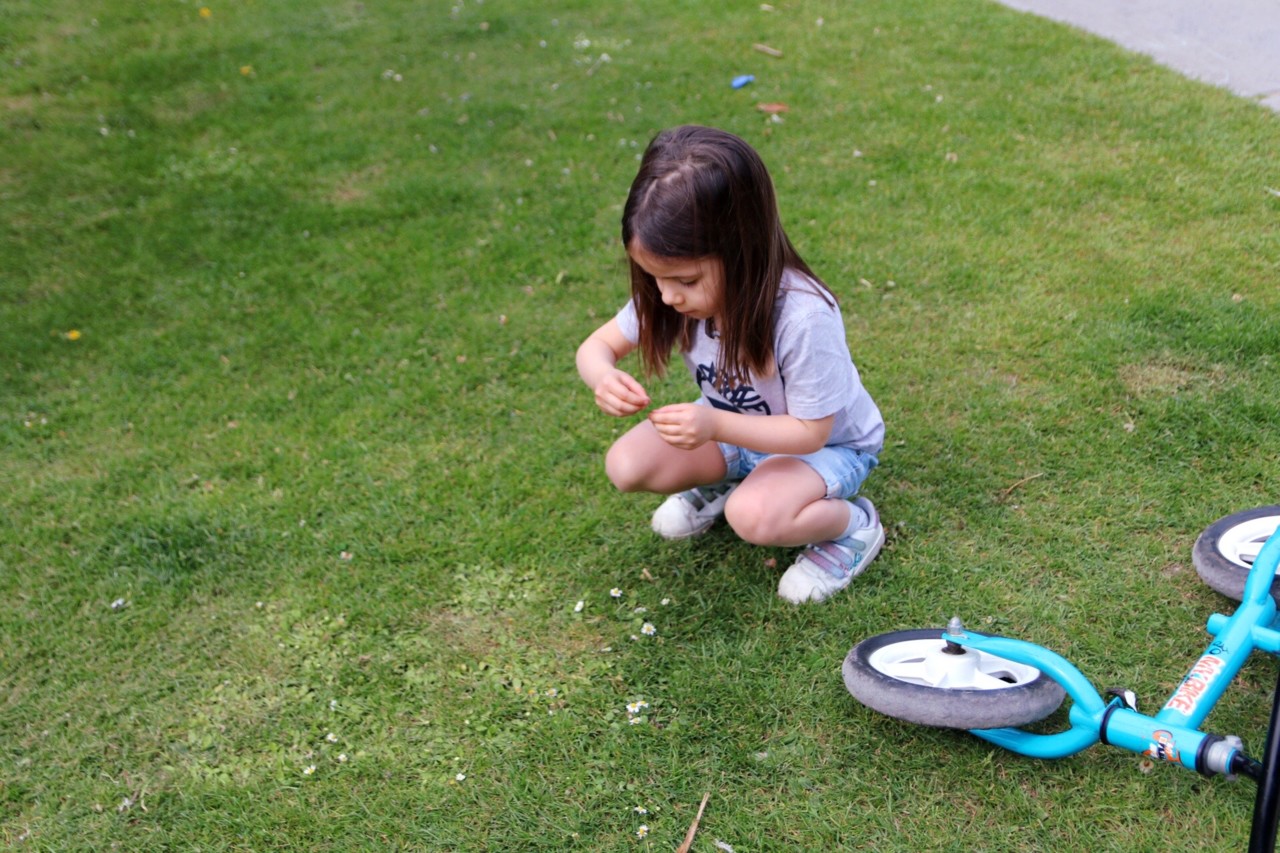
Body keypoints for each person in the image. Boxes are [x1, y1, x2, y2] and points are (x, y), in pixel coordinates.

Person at [575, 125, 885, 603]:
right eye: (653, 278)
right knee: (627, 465)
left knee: (754, 517)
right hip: (736, 433)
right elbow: (596, 347)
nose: (666, 296)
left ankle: (853, 525)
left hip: (827, 448)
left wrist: (714, 423)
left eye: (685, 280)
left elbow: (811, 433)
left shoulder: (802, 316)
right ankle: (742, 478)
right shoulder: (671, 293)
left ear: (742, 250)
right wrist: (603, 375)